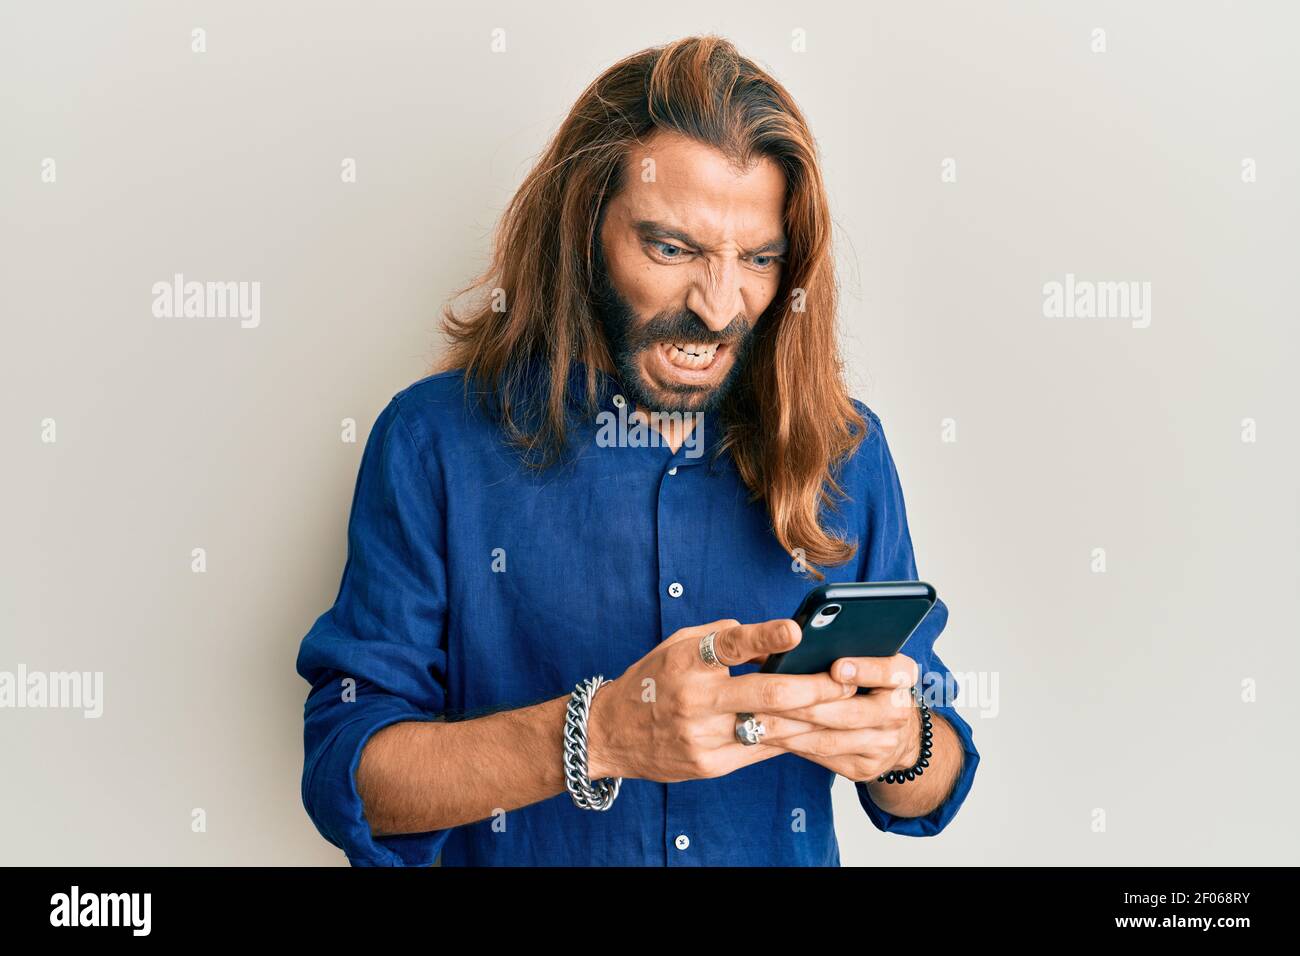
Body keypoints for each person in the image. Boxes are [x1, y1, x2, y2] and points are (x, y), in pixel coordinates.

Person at [295, 34, 979, 866]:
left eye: (758, 259)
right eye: (672, 248)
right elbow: (349, 777)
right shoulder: (436, 443)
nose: (720, 306)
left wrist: (901, 743)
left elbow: (933, 786)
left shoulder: (846, 451)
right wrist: (599, 734)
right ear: (583, 230)